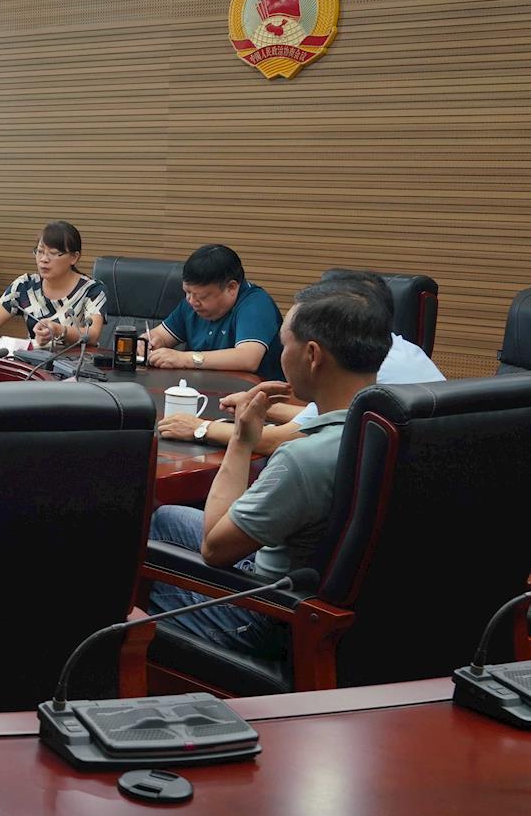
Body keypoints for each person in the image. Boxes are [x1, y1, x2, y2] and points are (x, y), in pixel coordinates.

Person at [145, 278, 393, 656]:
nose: (280, 354)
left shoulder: (303, 458)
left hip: (270, 614)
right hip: (359, 617)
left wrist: (242, 441)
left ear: (312, 355)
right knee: (165, 520)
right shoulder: (392, 427)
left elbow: (214, 548)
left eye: (284, 343)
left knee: (125, 577)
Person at [158, 272, 443, 454]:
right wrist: (264, 407)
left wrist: (200, 427)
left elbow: (283, 439)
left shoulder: (362, 366)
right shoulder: (398, 350)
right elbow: (334, 420)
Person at [143, 243, 284, 380]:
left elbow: (248, 358)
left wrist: (184, 359)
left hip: (252, 392)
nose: (191, 301)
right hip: (200, 387)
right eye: (187, 292)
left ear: (231, 288)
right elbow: (160, 335)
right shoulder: (192, 301)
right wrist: (147, 342)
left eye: (202, 297)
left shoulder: (256, 304)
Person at [0, 220, 107, 346]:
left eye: (53, 253)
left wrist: (60, 331)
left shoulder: (92, 290)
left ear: (74, 257)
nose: (43, 259)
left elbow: (92, 334)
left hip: (76, 357)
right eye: (40, 251)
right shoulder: (24, 286)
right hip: (33, 357)